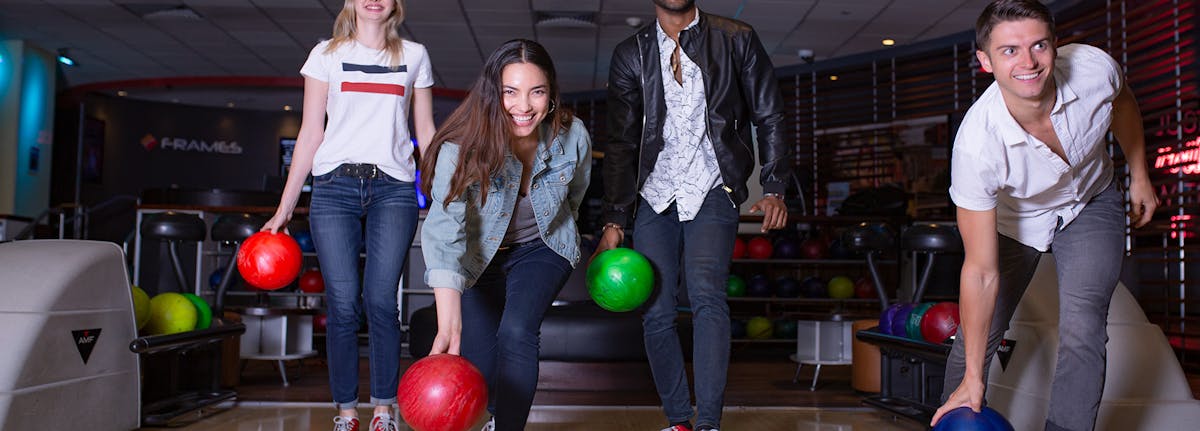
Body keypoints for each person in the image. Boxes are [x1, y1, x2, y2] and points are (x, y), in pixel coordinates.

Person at [932, 1, 1157, 430]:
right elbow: (980, 272)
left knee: (1084, 326)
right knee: (976, 338)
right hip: (1016, 222)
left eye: (1039, 45)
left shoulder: (1093, 69)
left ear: (1055, 45)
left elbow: (1123, 103)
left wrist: (1140, 174)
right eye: (1009, 50)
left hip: (1091, 200)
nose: (1029, 62)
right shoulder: (977, 146)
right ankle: (954, 414)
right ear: (985, 61)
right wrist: (975, 377)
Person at [595, 1, 792, 430]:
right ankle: (679, 420)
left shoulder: (736, 38)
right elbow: (622, 141)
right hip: (655, 194)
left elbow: (769, 114)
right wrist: (614, 219)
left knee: (707, 296)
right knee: (656, 312)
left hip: (713, 186)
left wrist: (774, 186)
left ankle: (709, 424)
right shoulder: (632, 53)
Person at [261, 0, 436, 429]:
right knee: (342, 304)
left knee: (381, 301)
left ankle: (383, 410)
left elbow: (426, 133)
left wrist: (442, 192)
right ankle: (345, 412)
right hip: (334, 187)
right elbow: (310, 132)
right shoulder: (326, 54)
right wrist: (285, 208)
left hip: (393, 188)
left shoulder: (414, 55)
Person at [420, 39, 592, 431]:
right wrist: (448, 325)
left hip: (542, 247)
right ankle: (497, 419)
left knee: (517, 332)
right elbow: (444, 232)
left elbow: (576, 195)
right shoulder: (459, 149)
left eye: (537, 92)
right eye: (510, 92)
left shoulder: (573, 135)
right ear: (491, 94)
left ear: (551, 94)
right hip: (478, 259)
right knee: (483, 366)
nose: (523, 106)